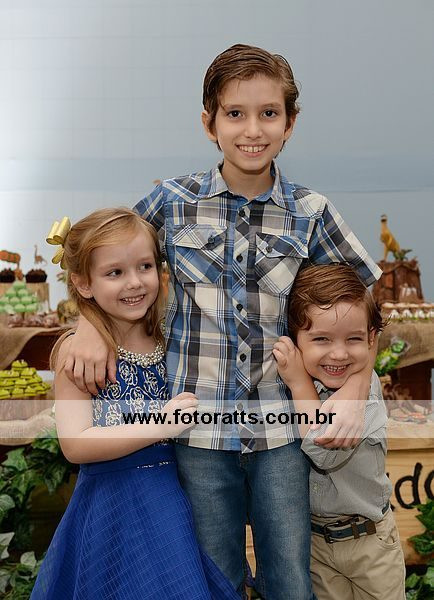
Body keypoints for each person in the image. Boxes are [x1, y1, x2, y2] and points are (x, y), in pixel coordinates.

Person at [63, 45, 382, 599]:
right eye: (235, 113)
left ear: (290, 123)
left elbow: (368, 304)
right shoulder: (171, 202)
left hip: (280, 432)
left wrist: (354, 389)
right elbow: (106, 262)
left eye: (268, 113)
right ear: (209, 123)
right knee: (215, 577)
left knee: (289, 578)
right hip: (198, 434)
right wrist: (88, 324)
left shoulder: (310, 212)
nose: (252, 130)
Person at [31, 208, 239, 600]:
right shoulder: (79, 355)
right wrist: (161, 425)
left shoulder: (170, 336)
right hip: (112, 509)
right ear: (83, 283)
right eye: (115, 272)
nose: (135, 282)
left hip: (175, 502)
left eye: (145, 266)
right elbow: (75, 444)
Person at [273, 264, 406, 600]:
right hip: (318, 545)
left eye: (353, 339)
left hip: (370, 545)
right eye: (321, 339)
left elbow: (325, 451)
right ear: (296, 338)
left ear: (371, 339)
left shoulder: (364, 392)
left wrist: (299, 383)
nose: (339, 353)